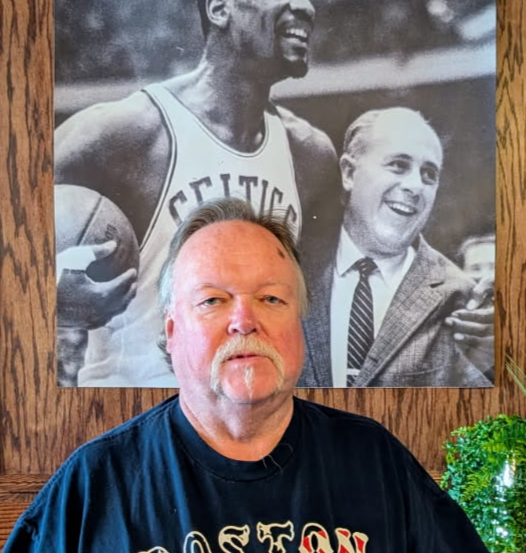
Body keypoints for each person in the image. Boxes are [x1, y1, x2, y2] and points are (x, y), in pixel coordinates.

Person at [0, 199, 526, 553]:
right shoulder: (92, 488)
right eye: (212, 300)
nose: (244, 319)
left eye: (271, 298)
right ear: (171, 332)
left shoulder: (374, 463)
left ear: (300, 325)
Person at [53, 0, 341, 387]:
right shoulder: (122, 131)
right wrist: (49, 288)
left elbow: (318, 314)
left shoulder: (311, 155)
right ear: (219, 8)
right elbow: (3, 229)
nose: (306, 7)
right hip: (133, 407)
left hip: (250, 410)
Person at [298, 108, 494, 387]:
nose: (415, 186)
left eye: (429, 174)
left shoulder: (459, 298)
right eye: (398, 165)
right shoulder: (290, 271)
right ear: (349, 173)